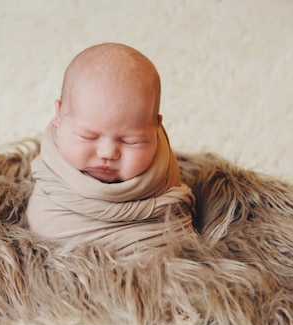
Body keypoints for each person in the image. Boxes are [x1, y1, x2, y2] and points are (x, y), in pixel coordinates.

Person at [26, 43, 195, 254]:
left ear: (155, 127)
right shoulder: (51, 180)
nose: (107, 153)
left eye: (130, 141)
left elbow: (176, 232)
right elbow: (42, 227)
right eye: (88, 136)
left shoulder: (164, 177)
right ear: (58, 116)